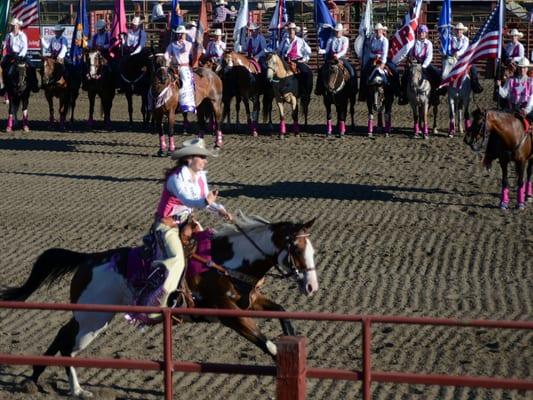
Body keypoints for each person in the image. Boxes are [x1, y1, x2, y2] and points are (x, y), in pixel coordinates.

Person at [150, 138, 231, 306]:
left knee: (210, 246)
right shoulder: (175, 179)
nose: (205, 161)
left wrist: (220, 210)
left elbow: (203, 199)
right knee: (177, 259)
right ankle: (163, 298)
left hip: (186, 224)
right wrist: (207, 202)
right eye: (201, 157)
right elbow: (189, 200)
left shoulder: (200, 176)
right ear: (189, 159)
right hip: (167, 226)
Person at [399, 25, 440, 105]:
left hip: (425, 64)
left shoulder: (428, 44)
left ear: (426, 34)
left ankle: (435, 94)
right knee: (405, 76)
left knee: (437, 74)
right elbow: (410, 53)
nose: (421, 34)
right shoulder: (413, 43)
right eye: (420, 32)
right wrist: (411, 60)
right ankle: (404, 95)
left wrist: (424, 66)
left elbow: (429, 56)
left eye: (423, 32)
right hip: (415, 64)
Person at [0, 18, 38, 93]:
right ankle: (3, 85)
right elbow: (6, 45)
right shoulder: (9, 35)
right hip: (11, 55)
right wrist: (3, 45)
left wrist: (20, 55)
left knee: (32, 67)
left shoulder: (22, 35)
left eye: (15, 25)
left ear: (18, 26)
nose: (14, 27)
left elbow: (25, 47)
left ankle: (34, 85)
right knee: (2, 65)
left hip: (21, 55)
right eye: (12, 25)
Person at [164, 25, 196, 113]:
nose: (180, 35)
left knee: (185, 81)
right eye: (178, 34)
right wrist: (168, 58)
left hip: (184, 67)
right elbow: (166, 54)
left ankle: (186, 104)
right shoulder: (172, 44)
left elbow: (185, 51)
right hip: (173, 66)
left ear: (185, 34)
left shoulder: (188, 44)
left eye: (182, 34)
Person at [358, 23, 392, 101]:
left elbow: (385, 52)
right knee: (364, 70)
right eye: (376, 30)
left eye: (379, 30)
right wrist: (374, 56)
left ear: (382, 31)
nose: (377, 32)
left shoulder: (385, 40)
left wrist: (382, 63)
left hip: (382, 59)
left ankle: (394, 89)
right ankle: (364, 92)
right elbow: (370, 52)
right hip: (373, 59)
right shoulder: (372, 39)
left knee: (393, 70)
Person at [497, 57, 533, 121]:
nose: (522, 70)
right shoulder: (511, 80)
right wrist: (499, 87)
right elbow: (505, 94)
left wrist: (526, 110)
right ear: (518, 68)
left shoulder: (531, 82)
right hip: (512, 108)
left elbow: (531, 98)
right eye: (521, 68)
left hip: (525, 108)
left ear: (527, 69)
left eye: (524, 68)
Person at [450, 22, 483, 93]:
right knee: (445, 69)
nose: (459, 31)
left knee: (473, 68)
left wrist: (457, 53)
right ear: (455, 31)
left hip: (464, 58)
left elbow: (464, 49)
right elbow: (449, 48)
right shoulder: (452, 39)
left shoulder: (465, 39)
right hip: (453, 58)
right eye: (457, 30)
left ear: (462, 31)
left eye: (460, 30)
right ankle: (443, 87)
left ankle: (475, 84)